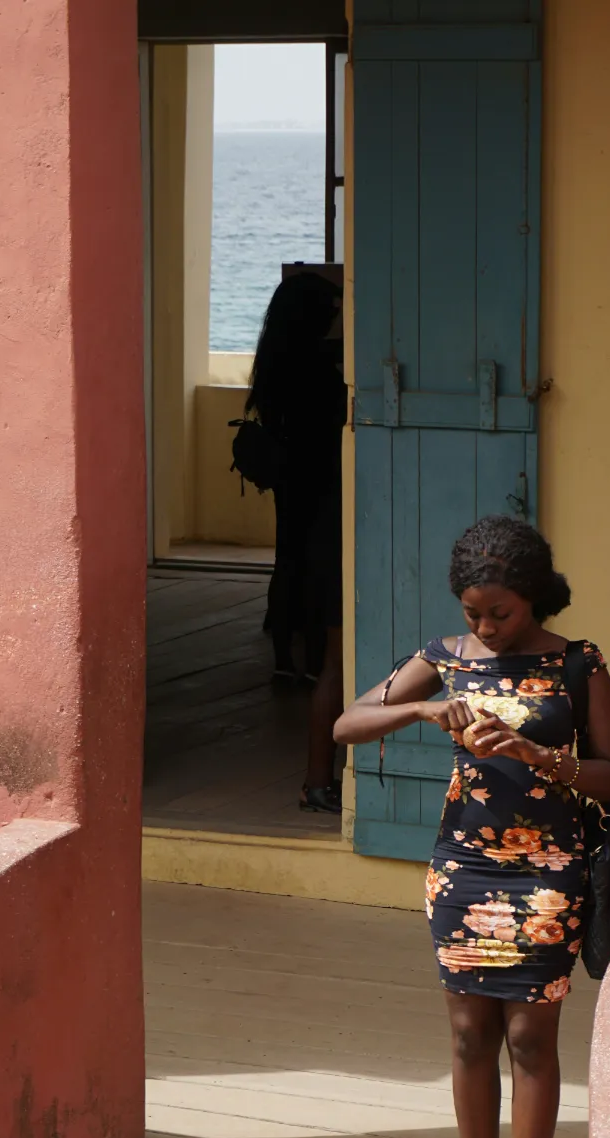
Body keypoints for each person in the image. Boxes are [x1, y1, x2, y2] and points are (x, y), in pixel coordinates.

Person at [333, 516, 610, 1138]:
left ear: (532, 598)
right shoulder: (444, 660)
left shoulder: (577, 664)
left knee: (530, 1041)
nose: (485, 626)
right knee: (469, 1037)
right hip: (464, 871)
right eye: (473, 613)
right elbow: (347, 724)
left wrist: (540, 755)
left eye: (499, 612)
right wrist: (419, 708)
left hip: (547, 874)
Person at [247, 270, 346, 812]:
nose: (336, 316)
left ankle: (286, 653)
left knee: (289, 562)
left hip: (295, 486)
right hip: (324, 491)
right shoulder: (317, 370)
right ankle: (299, 649)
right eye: (330, 308)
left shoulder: (278, 360)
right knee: (322, 592)